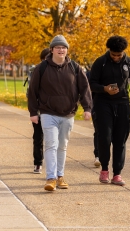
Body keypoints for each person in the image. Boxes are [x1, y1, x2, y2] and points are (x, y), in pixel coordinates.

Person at [28, 35, 92, 192]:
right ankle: (50, 178)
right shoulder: (41, 68)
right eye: (58, 47)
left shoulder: (75, 68)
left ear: (67, 50)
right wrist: (33, 112)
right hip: (48, 113)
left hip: (68, 114)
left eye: (63, 48)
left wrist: (87, 108)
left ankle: (60, 176)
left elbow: (84, 89)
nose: (61, 50)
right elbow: (33, 91)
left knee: (62, 146)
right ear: (52, 50)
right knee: (51, 144)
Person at [89, 35, 130, 186]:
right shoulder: (101, 62)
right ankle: (104, 170)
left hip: (122, 104)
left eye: (119, 55)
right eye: (113, 55)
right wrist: (104, 89)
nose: (116, 58)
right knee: (105, 138)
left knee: (120, 140)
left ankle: (117, 174)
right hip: (103, 103)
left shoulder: (129, 62)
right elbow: (91, 83)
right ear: (109, 51)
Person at [32, 48, 50, 174]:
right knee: (38, 137)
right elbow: (31, 92)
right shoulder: (37, 71)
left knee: (53, 140)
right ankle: (38, 162)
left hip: (53, 111)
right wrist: (33, 112)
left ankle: (52, 165)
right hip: (39, 110)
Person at [85, 68, 101, 168]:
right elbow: (85, 89)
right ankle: (98, 156)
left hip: (114, 105)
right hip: (97, 105)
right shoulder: (91, 73)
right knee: (99, 131)